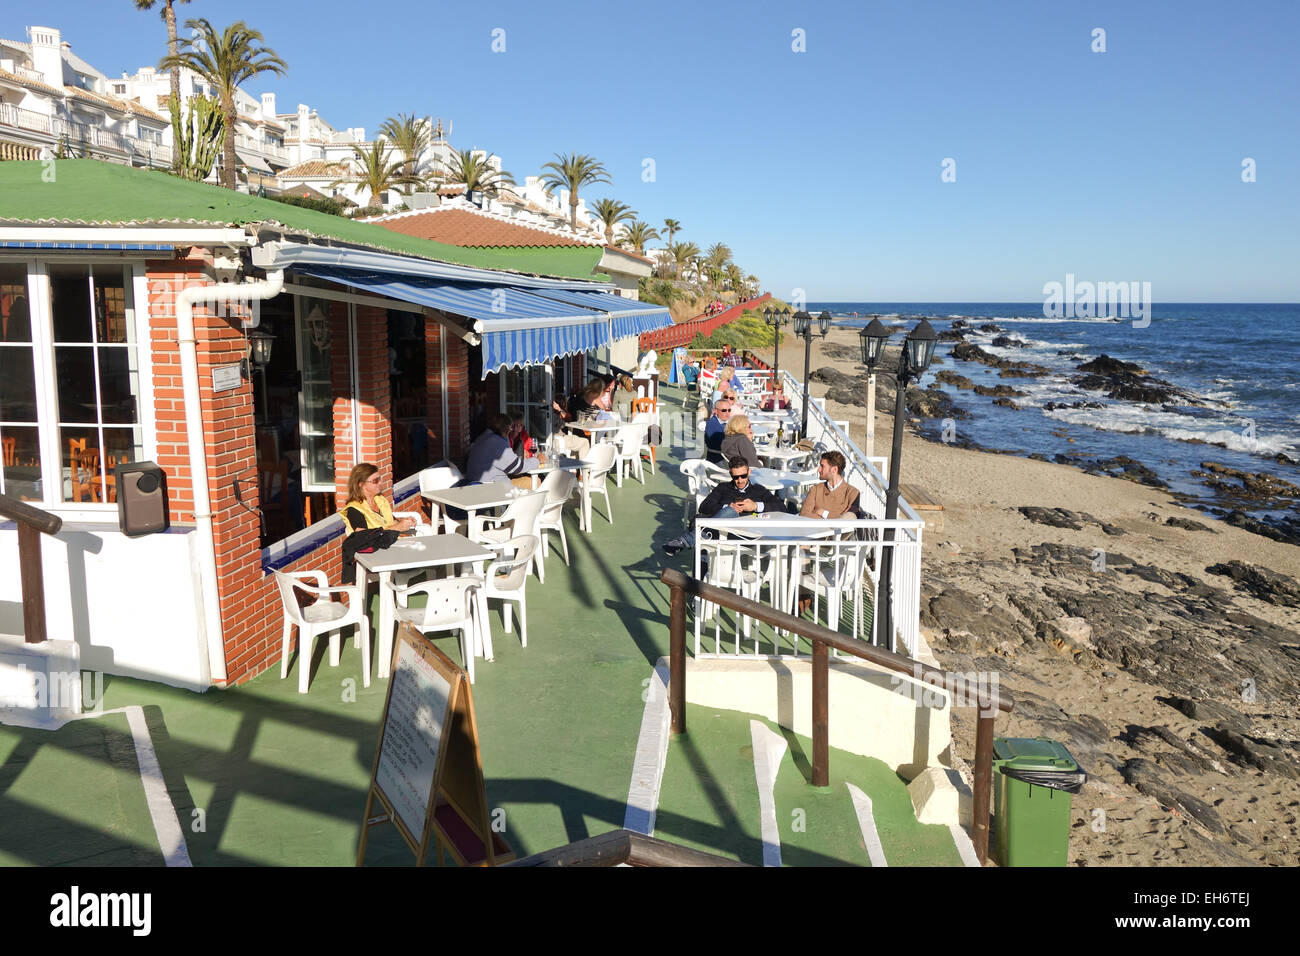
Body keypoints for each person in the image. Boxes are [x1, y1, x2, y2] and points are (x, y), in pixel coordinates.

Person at [662, 457, 784, 555]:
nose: (740, 480)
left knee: (704, 536)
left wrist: (756, 506)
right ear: (730, 474)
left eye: (743, 476)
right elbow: (704, 506)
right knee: (707, 538)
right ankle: (698, 581)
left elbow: (782, 508)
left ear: (749, 472)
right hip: (718, 532)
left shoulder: (759, 491)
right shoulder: (723, 488)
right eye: (735, 477)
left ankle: (684, 541)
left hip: (745, 536)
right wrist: (726, 507)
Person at [464, 412, 545, 486]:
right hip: (492, 487)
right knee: (537, 481)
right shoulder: (497, 443)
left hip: (476, 483)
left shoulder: (484, 437)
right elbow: (518, 468)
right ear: (506, 429)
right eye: (510, 428)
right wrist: (537, 460)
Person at [341, 463, 418, 533]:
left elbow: (391, 522)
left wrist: (403, 522)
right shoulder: (354, 509)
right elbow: (364, 537)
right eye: (375, 481)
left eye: (380, 479)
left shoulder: (380, 500)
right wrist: (398, 527)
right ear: (361, 484)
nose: (380, 483)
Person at [800, 450, 866, 519]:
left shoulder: (852, 493)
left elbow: (848, 521)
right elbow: (804, 515)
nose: (819, 469)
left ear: (834, 470)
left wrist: (824, 513)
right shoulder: (815, 489)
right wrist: (837, 517)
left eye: (822, 466)